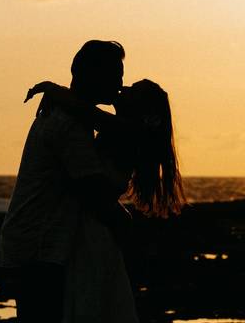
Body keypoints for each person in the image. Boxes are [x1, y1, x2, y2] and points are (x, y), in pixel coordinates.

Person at [25, 77, 187, 323]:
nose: (124, 87)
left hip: (91, 231)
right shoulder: (125, 131)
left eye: (135, 90)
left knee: (88, 302)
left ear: (141, 108)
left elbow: (86, 112)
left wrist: (52, 89)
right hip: (92, 228)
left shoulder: (125, 131)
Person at [0, 40, 130, 323]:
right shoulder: (67, 124)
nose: (120, 83)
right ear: (92, 74)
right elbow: (93, 190)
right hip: (40, 247)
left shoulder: (67, 115)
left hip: (40, 243)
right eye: (115, 75)